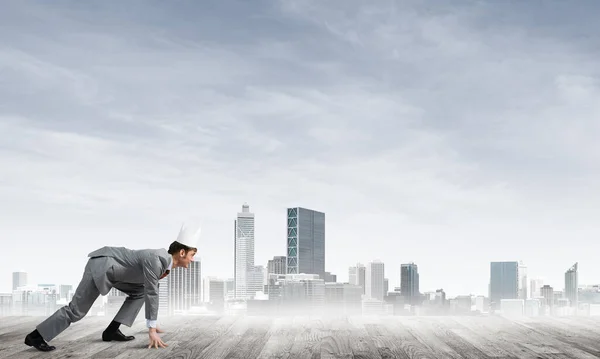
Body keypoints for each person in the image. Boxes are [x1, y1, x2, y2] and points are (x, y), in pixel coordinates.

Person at [24, 222, 201, 352]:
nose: (192, 260)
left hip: (118, 273)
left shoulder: (164, 263)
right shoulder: (157, 259)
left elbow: (148, 289)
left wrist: (153, 324)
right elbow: (152, 292)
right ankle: (36, 336)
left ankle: (111, 331)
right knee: (77, 311)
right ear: (182, 252)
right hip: (102, 267)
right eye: (192, 255)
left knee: (138, 292)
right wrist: (152, 329)